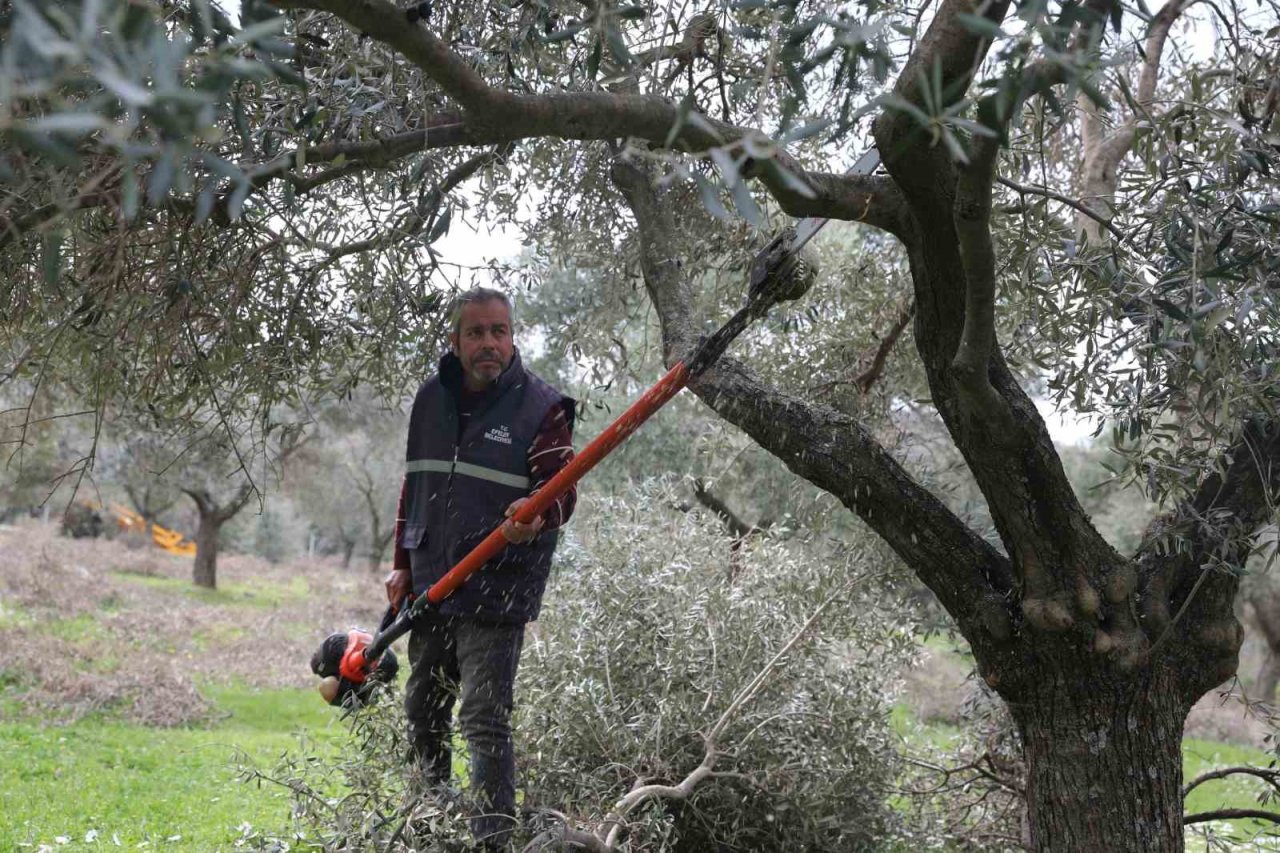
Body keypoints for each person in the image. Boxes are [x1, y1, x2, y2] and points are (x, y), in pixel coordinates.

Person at [384, 287, 576, 849]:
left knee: (485, 720)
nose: (489, 343)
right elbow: (413, 487)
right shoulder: (429, 400)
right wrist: (401, 564)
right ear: (456, 340)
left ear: (512, 337)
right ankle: (429, 826)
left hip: (498, 591)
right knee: (423, 707)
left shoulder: (542, 408)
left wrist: (534, 515)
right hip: (431, 586)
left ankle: (493, 840)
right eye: (476, 333)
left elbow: (563, 497)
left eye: (499, 331)